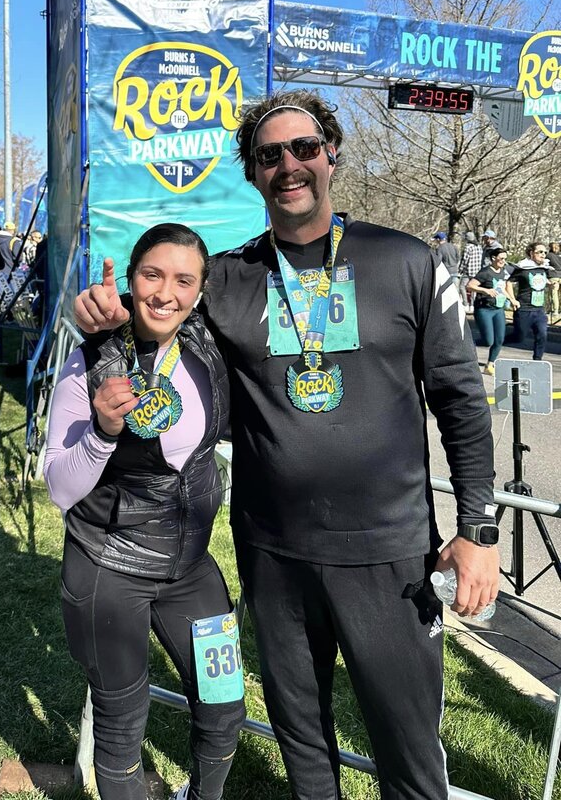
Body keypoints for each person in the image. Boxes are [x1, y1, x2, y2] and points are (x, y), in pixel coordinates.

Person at [75, 91, 499, 800]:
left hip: (388, 554)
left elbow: (460, 399)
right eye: (269, 155)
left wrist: (478, 529)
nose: (289, 165)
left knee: (410, 757)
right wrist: (99, 322)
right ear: (252, 172)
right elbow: (151, 332)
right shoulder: (225, 279)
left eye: (304, 148)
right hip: (274, 554)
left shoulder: (407, 260)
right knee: (305, 751)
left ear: (331, 154)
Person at [46, 223, 245, 800]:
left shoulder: (208, 347)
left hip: (191, 569)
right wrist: (103, 433)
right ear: (132, 280)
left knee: (225, 705)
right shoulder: (89, 363)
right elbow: (59, 486)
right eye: (152, 275)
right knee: (121, 729)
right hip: (109, 571)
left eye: (184, 281)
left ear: (201, 291)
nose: (165, 293)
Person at [468, 248, 517, 375]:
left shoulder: (503, 272)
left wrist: (512, 299)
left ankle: (490, 364)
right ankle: (466, 344)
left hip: (498, 309)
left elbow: (502, 288)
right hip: (484, 309)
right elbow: (470, 285)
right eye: (501, 258)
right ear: (494, 258)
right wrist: (485, 290)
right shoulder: (485, 272)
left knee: (499, 339)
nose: (503, 261)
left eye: (505, 259)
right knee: (488, 341)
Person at [508, 242, 557, 361]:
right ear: (531, 253)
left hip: (539, 309)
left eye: (545, 252)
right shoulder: (523, 268)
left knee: (542, 335)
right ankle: (497, 341)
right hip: (524, 309)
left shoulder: (544, 268)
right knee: (519, 337)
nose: (543, 254)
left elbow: (541, 281)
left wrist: (550, 284)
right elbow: (508, 282)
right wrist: (513, 299)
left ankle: (537, 360)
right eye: (540, 252)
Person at [458, 230, 483, 313]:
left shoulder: (468, 247)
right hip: (477, 271)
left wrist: (460, 269)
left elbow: (465, 260)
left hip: (468, 271)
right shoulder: (479, 246)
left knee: (462, 286)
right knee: (473, 288)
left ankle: (465, 304)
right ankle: (472, 305)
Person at [547, 241, 561, 320]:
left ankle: (554, 311)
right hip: (560, 276)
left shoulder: (549, 255)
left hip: (553, 276)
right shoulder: (559, 256)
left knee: (553, 294)